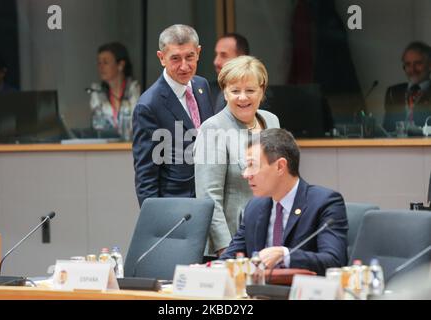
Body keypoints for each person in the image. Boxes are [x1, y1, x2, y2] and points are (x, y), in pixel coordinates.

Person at [219, 128, 348, 275]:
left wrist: (285, 255)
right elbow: (231, 256)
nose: (246, 174)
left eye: (252, 165)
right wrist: (207, 268)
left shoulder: (325, 203)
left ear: (280, 166)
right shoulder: (254, 207)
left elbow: (334, 261)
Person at [195, 56, 280, 256]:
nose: (243, 97)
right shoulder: (213, 128)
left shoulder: (271, 120)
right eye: (235, 91)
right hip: (231, 247)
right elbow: (209, 197)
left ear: (262, 90)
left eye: (250, 90)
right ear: (225, 92)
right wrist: (227, 250)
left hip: (268, 241)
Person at [132, 24, 214, 207]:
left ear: (198, 53)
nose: (184, 66)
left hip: (210, 199)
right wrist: (156, 221)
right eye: (175, 58)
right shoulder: (148, 106)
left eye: (189, 57)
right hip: (177, 206)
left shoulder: (202, 86)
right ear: (161, 58)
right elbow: (146, 175)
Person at [89, 42, 140, 139]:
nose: (101, 67)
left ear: (120, 65)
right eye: (99, 63)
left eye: (105, 62)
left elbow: (136, 126)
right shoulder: (96, 92)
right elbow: (98, 127)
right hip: (106, 151)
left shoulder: (134, 90)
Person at [383, 41, 431, 133]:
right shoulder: (393, 92)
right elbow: (387, 129)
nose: (412, 69)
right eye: (408, 64)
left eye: (418, 63)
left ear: (429, 65)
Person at [210, 33, 250, 114]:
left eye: (223, 55)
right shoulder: (207, 90)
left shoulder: (255, 94)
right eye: (216, 55)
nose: (216, 62)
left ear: (241, 59)